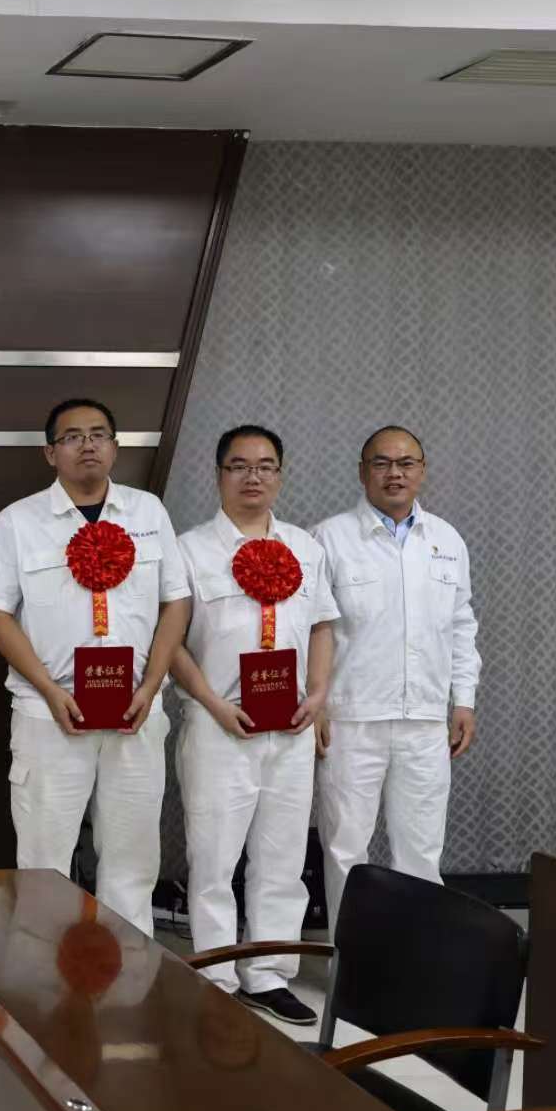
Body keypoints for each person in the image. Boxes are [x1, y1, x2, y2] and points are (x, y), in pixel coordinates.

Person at [0, 398, 192, 934]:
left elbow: (176, 602)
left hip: (135, 708)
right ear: (50, 452)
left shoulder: (148, 513)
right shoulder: (19, 521)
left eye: (98, 434)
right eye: (72, 437)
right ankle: (42, 972)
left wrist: (152, 686)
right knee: (44, 857)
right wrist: (48, 689)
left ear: (115, 447)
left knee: (132, 858)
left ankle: (129, 974)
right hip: (50, 710)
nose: (87, 445)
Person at [167, 426, 338, 1024]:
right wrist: (212, 702)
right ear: (218, 475)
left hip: (289, 728)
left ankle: (267, 974)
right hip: (219, 725)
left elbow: (322, 625)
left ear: (280, 476)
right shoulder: (189, 549)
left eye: (265, 466)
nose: (253, 477)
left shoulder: (305, 548)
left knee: (282, 857)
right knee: (213, 858)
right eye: (239, 466)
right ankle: (215, 975)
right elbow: (170, 642)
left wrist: (318, 695)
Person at [311, 426, 480, 926]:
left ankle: (416, 957)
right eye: (381, 463)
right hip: (351, 719)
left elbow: (461, 624)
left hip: (425, 721)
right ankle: (350, 958)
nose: (395, 473)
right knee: (345, 849)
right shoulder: (329, 538)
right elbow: (311, 630)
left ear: (422, 471)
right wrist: (315, 702)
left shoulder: (446, 540)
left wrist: (464, 699)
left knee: (422, 852)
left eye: (406, 463)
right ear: (362, 472)